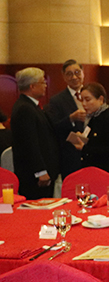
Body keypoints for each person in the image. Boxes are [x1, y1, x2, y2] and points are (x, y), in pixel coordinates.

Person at [11, 68, 59, 199]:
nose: (45, 85)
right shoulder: (25, 108)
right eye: (42, 82)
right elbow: (29, 143)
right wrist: (40, 171)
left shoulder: (32, 106)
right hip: (34, 176)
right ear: (32, 86)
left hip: (41, 172)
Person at [69, 83, 109, 182]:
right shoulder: (92, 118)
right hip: (89, 171)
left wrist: (85, 148)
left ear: (101, 100)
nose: (84, 104)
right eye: (82, 100)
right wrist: (82, 139)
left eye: (88, 100)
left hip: (105, 173)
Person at [45, 59, 87, 178]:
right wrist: (71, 119)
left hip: (94, 153)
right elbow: (53, 127)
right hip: (71, 156)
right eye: (69, 74)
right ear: (64, 77)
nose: (74, 77)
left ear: (83, 73)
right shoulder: (57, 101)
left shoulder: (93, 93)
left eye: (77, 72)